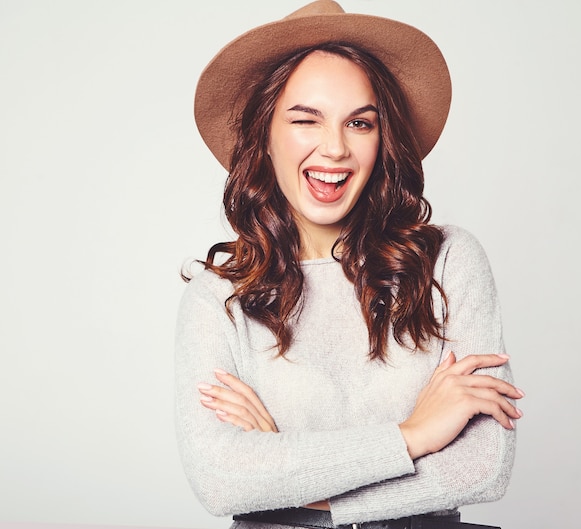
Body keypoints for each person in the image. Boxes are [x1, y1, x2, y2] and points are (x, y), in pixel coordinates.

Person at [176, 1, 524, 528]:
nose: (335, 148)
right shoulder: (218, 298)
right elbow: (223, 481)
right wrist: (413, 436)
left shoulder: (448, 262)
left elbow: (481, 468)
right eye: (305, 120)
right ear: (264, 137)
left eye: (359, 123)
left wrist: (295, 480)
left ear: (383, 141)